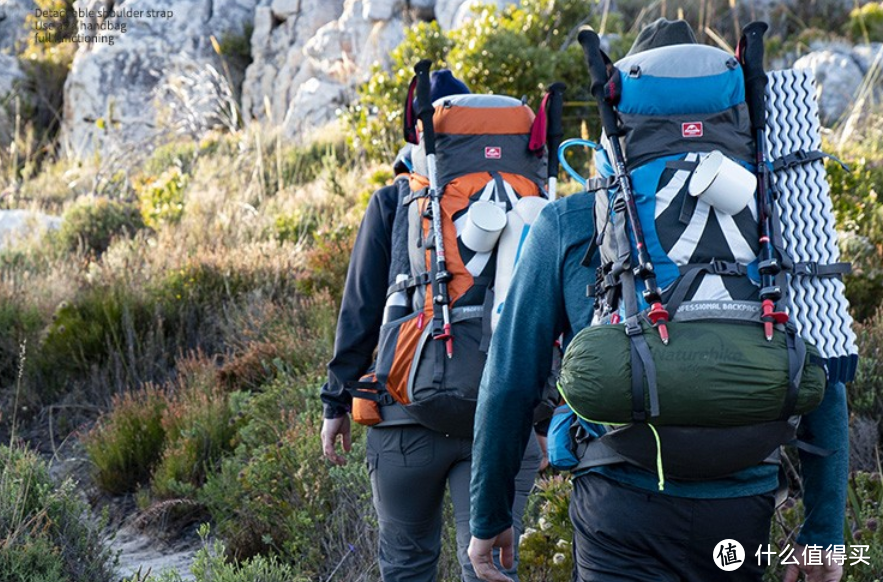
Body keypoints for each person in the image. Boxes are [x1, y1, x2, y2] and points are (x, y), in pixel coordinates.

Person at [467, 19, 849, 582]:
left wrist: (490, 516)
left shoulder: (570, 222)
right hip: (741, 503)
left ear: (622, 113)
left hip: (620, 501)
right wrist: (822, 540)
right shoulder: (778, 214)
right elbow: (827, 371)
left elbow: (509, 381)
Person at [321, 69, 543, 582]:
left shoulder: (395, 200)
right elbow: (542, 314)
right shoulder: (529, 196)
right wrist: (542, 415)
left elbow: (358, 311)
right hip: (500, 418)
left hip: (404, 420)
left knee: (406, 564)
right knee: (491, 568)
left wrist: (336, 402)